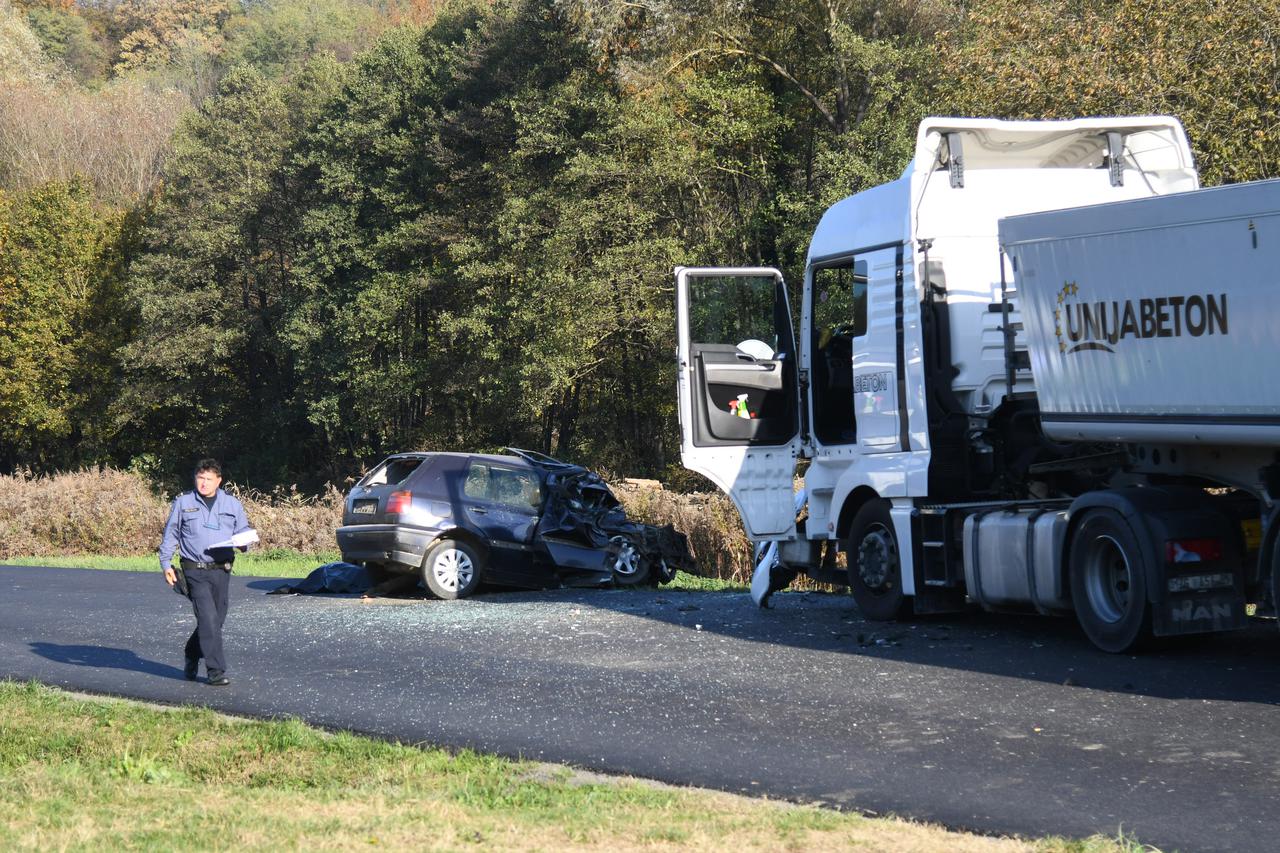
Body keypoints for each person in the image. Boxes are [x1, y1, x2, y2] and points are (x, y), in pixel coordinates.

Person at [159, 458, 252, 686]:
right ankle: (216, 672)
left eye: (209, 479)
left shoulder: (232, 505)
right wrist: (166, 563)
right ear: (195, 478)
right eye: (200, 478)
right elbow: (171, 534)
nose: (204, 483)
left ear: (218, 481)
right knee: (208, 618)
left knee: (215, 620)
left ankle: (191, 652)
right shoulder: (183, 502)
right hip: (194, 569)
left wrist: (244, 542)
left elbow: (244, 533)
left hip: (221, 569)